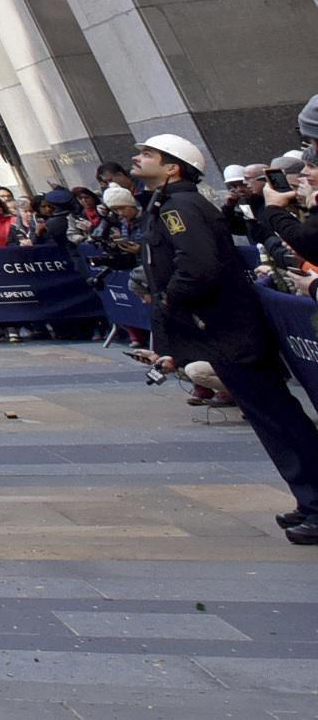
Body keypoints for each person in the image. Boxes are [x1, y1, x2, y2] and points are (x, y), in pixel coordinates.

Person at [128, 131, 318, 540]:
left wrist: (168, 305)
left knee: (277, 418)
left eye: (147, 153)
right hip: (221, 329)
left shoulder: (180, 206)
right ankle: (309, 498)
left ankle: (316, 501)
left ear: (173, 166)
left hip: (226, 329)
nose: (138, 158)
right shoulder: (170, 203)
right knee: (271, 419)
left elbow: (197, 268)